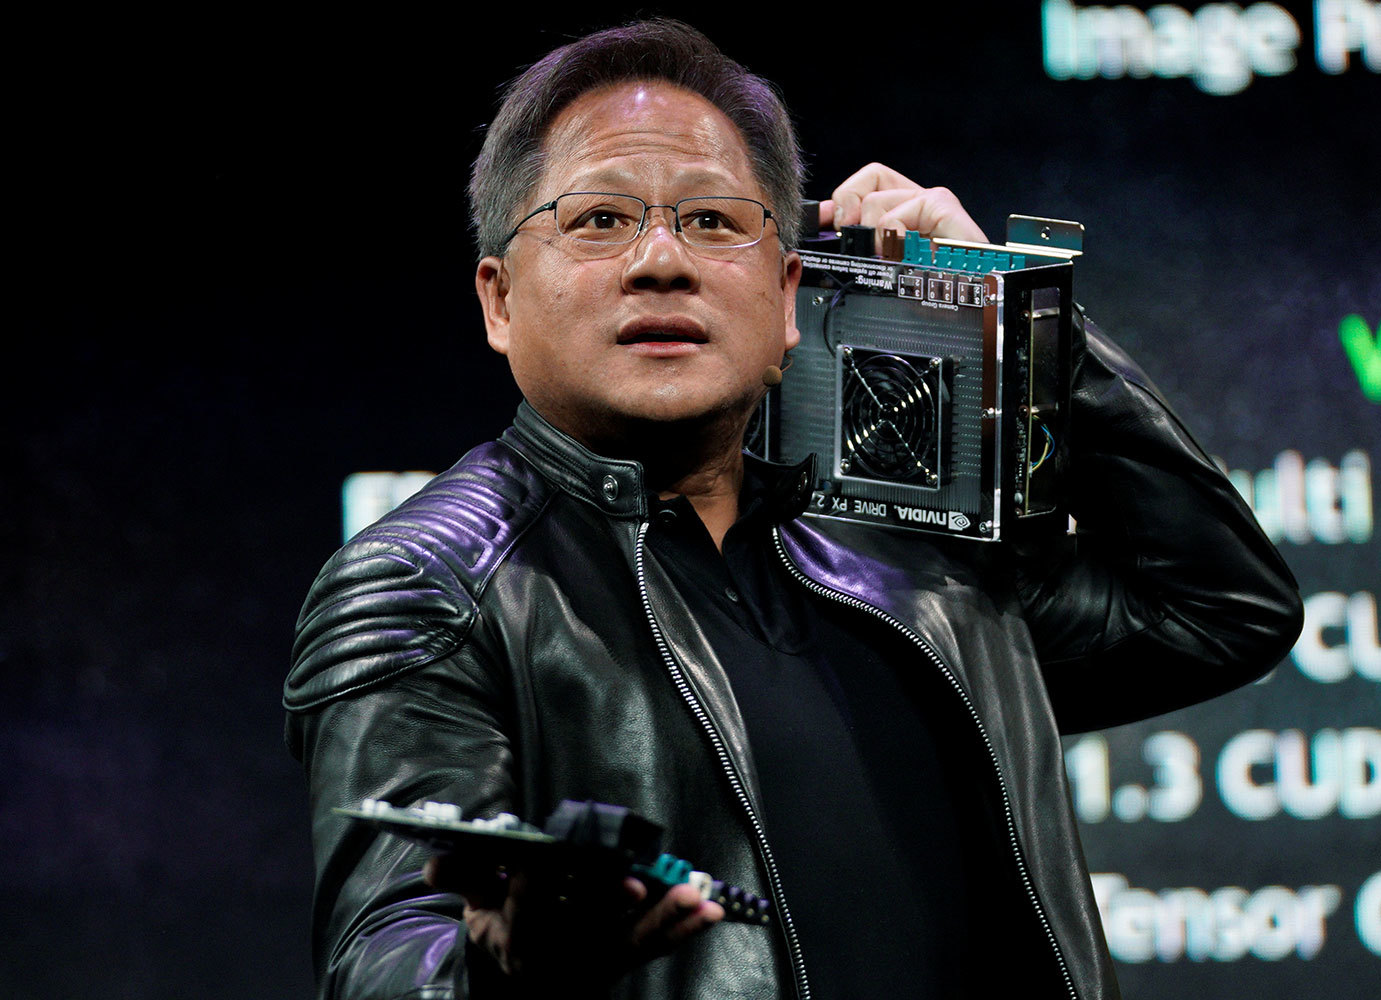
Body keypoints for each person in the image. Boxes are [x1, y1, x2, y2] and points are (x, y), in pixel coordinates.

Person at [283, 19, 1303, 1000]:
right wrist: (503, 973)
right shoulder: (428, 585)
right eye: (599, 220)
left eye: (712, 220)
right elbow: (389, 948)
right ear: (499, 300)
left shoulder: (915, 563)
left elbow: (1220, 609)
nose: (661, 259)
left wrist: (1027, 327)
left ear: (786, 299)